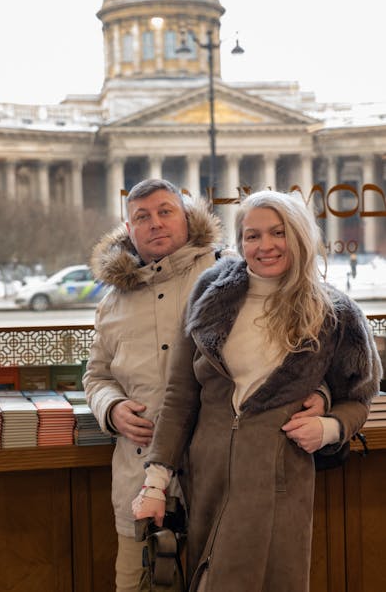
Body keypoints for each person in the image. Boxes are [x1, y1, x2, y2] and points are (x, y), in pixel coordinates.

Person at [83, 180, 327, 592]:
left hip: (218, 477)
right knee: (137, 583)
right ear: (129, 227)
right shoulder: (112, 300)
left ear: (186, 215)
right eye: (142, 217)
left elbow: (306, 345)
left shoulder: (232, 276)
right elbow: (96, 374)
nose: (155, 224)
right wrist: (111, 407)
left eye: (165, 211)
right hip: (139, 477)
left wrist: (321, 397)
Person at [133, 189, 382, 592]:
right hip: (208, 478)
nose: (265, 245)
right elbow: (180, 395)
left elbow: (360, 397)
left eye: (277, 233)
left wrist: (330, 427)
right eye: (252, 236)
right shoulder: (209, 294)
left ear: (298, 236)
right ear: (240, 241)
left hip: (279, 481)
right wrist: (155, 481)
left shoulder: (335, 312)